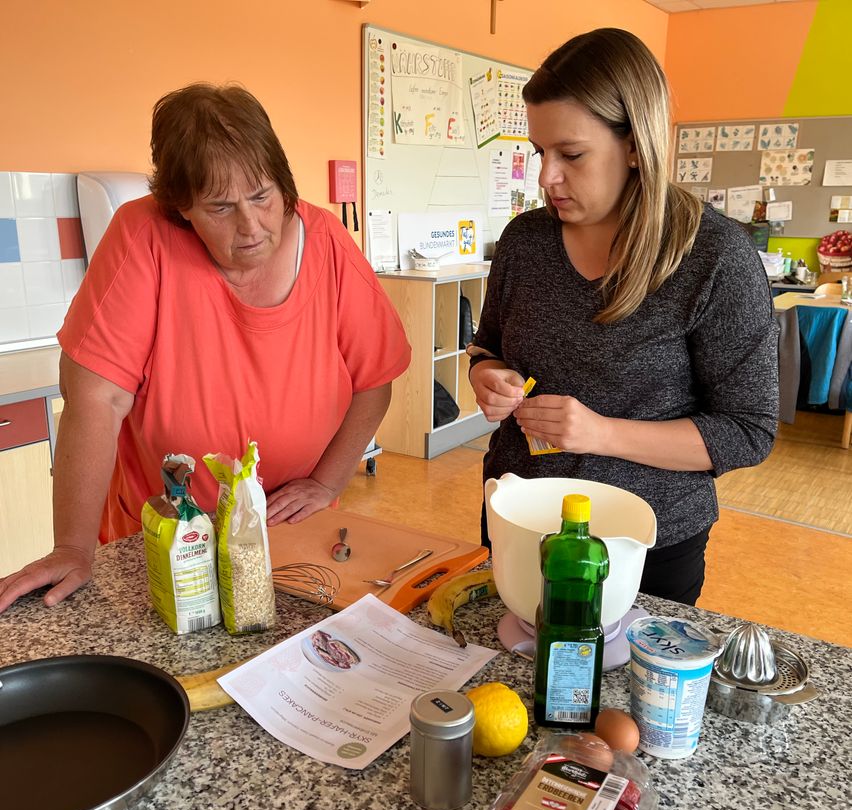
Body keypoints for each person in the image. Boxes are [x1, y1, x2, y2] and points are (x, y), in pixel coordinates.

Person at [0, 84, 410, 613]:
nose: (251, 226)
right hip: (168, 537)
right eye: (220, 207)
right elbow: (95, 400)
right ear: (181, 210)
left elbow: (375, 377)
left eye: (263, 197)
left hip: (289, 529)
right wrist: (73, 547)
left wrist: (325, 481)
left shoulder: (326, 240)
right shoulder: (143, 236)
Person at [468, 29, 778, 606]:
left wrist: (600, 433)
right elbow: (488, 346)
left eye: (571, 154)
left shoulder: (714, 259)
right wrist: (488, 376)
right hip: (518, 516)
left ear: (636, 144)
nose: (545, 178)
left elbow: (748, 432)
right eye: (539, 152)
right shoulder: (525, 242)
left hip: (645, 543)